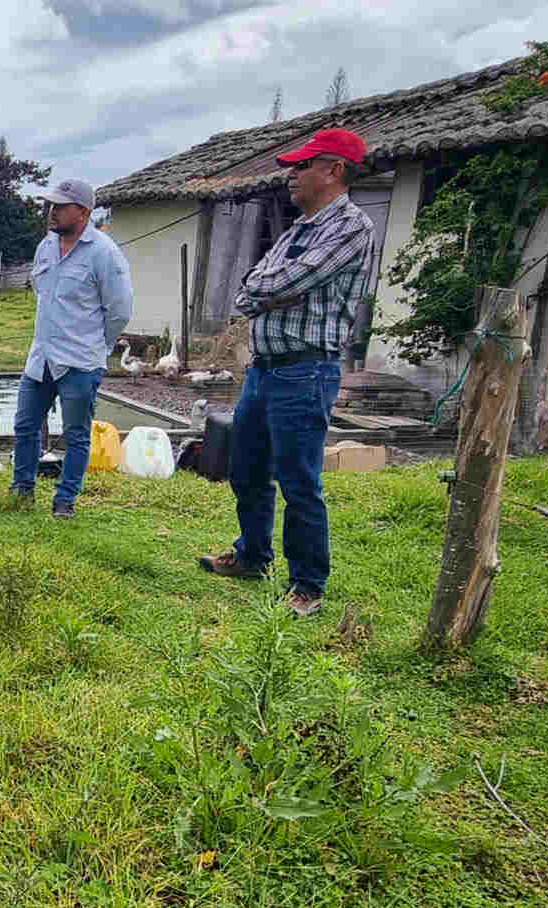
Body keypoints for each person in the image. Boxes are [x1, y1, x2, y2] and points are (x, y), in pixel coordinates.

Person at [197, 128, 375, 617]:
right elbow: (252, 286)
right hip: (264, 368)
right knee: (246, 468)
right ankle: (252, 555)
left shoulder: (352, 226)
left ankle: (307, 584)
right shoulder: (299, 228)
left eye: (302, 166)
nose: (292, 176)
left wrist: (267, 289)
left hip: (306, 370)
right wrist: (268, 289)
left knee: (298, 479)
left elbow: (291, 279)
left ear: (333, 170)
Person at [9, 178, 133, 520]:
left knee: (76, 434)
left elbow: (120, 310)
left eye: (60, 207)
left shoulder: (104, 253)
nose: (52, 212)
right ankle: (22, 490)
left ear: (83, 212)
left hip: (80, 361)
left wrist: (99, 346)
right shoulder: (45, 247)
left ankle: (65, 501)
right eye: (51, 205)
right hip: (42, 358)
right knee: (25, 425)